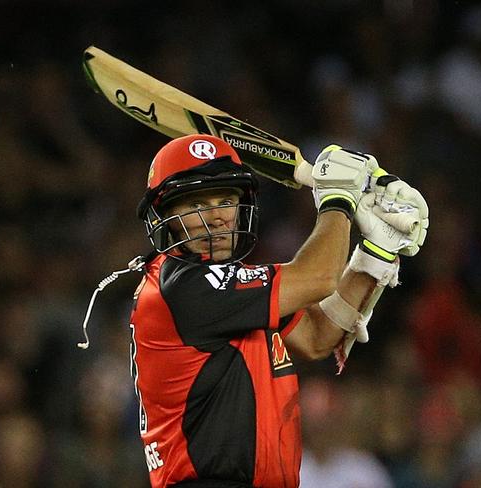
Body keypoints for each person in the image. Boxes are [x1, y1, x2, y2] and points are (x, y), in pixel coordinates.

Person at [116, 134, 428, 487]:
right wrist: (340, 199)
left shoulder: (230, 293)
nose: (217, 217)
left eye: (225, 200)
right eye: (196, 205)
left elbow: (316, 337)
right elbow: (319, 277)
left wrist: (376, 254)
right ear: (166, 217)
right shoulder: (183, 286)